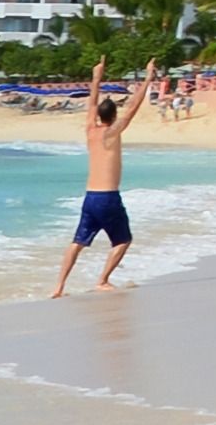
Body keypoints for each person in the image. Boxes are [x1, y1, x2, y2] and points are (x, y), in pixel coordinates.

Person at [52, 59, 154, 296]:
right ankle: (102, 280)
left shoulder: (90, 129)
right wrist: (148, 78)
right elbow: (133, 109)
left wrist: (96, 78)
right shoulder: (112, 132)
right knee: (122, 241)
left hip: (90, 197)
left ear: (98, 115)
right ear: (114, 115)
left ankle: (59, 287)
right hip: (108, 198)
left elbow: (91, 104)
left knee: (77, 242)